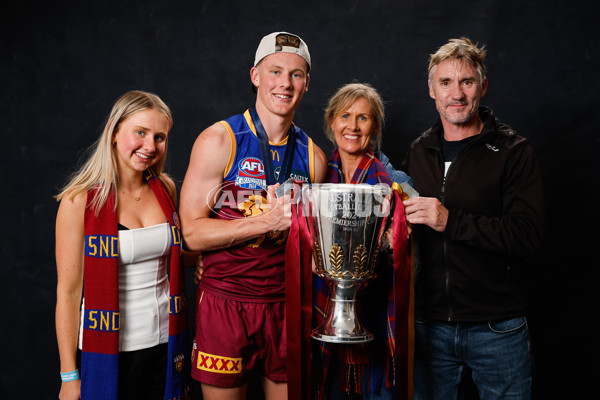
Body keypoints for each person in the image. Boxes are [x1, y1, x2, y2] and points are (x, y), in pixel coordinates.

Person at [179, 31, 327, 400]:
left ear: (306, 84)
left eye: (296, 74)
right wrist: (264, 222)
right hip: (225, 303)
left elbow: (310, 243)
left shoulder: (314, 157)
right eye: (275, 71)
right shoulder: (219, 140)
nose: (285, 83)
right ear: (255, 76)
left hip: (285, 306)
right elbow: (192, 235)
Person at [400, 37, 545, 399]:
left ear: (482, 86)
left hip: (497, 328)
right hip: (430, 326)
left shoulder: (514, 151)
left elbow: (527, 235)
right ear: (431, 90)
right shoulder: (419, 151)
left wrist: (450, 220)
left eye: (466, 82)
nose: (457, 93)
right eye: (446, 83)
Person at [55, 90, 190, 400]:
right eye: (140, 133)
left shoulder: (165, 188)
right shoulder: (79, 200)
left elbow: (179, 257)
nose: (150, 146)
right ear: (114, 133)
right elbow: (69, 291)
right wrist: (68, 375)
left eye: (159, 137)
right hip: (111, 351)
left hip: (165, 345)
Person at [310, 82, 412, 400]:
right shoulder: (316, 175)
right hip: (322, 313)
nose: (352, 126)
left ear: (375, 126)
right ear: (331, 122)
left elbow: (408, 248)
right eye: (345, 116)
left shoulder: (396, 183)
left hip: (376, 319)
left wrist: (389, 240)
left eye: (363, 118)